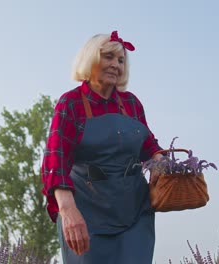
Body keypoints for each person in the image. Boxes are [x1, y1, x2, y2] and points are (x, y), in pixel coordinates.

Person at [41, 30, 164, 264]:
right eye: (108, 57)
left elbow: (148, 145)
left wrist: (160, 162)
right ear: (90, 59)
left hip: (135, 214)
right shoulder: (71, 103)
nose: (115, 65)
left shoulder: (131, 103)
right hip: (87, 214)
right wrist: (68, 211)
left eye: (120, 60)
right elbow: (55, 163)